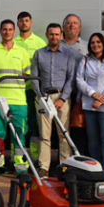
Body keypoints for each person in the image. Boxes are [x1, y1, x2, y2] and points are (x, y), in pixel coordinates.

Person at [0, 19, 30, 176]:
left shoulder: (22, 52)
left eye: (10, 29)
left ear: (14, 32)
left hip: (18, 101)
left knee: (19, 134)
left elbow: (26, 75)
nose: (7, 32)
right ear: (0, 32)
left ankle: (20, 164)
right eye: (4, 29)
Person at [32, 23, 75, 178]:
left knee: (64, 134)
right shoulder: (38, 54)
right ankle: (44, 167)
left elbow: (71, 78)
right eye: (51, 34)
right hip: (43, 97)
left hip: (62, 98)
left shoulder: (68, 54)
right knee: (44, 135)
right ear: (46, 35)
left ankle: (65, 165)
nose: (54, 37)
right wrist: (42, 97)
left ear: (61, 35)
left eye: (57, 34)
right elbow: (34, 78)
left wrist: (62, 99)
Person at [76, 33, 104, 173]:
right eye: (93, 42)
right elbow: (79, 80)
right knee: (93, 138)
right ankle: (96, 166)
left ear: (103, 43)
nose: (95, 45)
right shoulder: (85, 61)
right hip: (89, 105)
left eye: (98, 42)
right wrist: (93, 94)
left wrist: (102, 99)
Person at [14, 11, 46, 159]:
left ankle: (34, 157)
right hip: (17, 92)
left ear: (31, 23)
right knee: (18, 126)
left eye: (26, 20)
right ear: (17, 23)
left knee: (35, 125)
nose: (24, 23)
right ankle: (18, 157)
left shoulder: (40, 42)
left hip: (34, 91)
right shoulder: (13, 42)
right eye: (21, 21)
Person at [61, 13, 89, 155]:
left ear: (79, 27)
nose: (71, 25)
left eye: (74, 23)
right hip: (60, 94)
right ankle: (64, 158)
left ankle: (78, 157)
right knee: (61, 129)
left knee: (78, 127)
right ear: (63, 26)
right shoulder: (56, 44)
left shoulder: (86, 46)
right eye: (68, 23)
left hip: (79, 94)